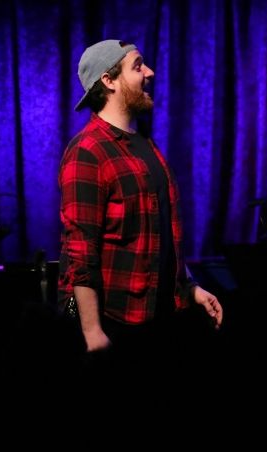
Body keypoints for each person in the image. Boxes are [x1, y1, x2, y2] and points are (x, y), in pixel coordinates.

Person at [58, 39, 223, 353]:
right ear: (108, 80)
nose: (150, 72)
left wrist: (190, 288)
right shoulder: (88, 151)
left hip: (160, 316)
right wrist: (92, 332)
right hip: (116, 322)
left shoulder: (146, 144)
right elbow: (80, 250)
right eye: (137, 66)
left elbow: (160, 234)